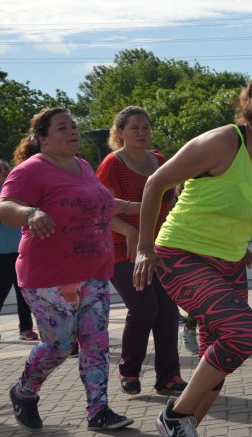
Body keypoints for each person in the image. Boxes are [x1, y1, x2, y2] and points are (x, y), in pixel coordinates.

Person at [132, 78, 252, 437]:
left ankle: (184, 429)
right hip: (182, 254)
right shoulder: (223, 142)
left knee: (219, 357)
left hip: (228, 262)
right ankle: (175, 415)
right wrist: (144, 248)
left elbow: (233, 207)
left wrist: (239, 251)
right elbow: (155, 183)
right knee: (242, 333)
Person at [0, 108, 134, 431]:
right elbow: (5, 207)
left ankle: (98, 410)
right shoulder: (30, 171)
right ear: (42, 139)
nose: (73, 132)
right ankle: (24, 391)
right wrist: (30, 213)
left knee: (96, 343)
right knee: (59, 346)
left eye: (74, 126)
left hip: (94, 272)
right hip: (48, 277)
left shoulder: (84, 167)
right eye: (63, 128)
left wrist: (139, 208)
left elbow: (99, 203)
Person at [96, 106, 187, 397]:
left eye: (145, 127)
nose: (141, 133)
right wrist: (132, 232)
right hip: (123, 250)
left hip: (158, 247)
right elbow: (102, 210)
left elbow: (169, 203)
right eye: (134, 128)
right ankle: (129, 371)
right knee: (144, 307)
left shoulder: (159, 160)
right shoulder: (112, 164)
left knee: (168, 312)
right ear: (120, 133)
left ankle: (168, 379)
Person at [0, 159, 37, 342]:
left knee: (24, 292)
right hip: (2, 253)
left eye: (7, 171)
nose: (5, 175)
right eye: (2, 172)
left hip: (20, 251)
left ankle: (26, 329)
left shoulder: (16, 193)